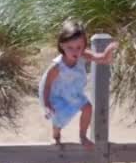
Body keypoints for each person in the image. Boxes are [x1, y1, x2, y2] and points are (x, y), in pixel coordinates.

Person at [38, 20, 118, 149]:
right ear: (62, 45)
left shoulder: (82, 55)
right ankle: (56, 135)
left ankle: (82, 136)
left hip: (73, 92)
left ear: (84, 46)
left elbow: (100, 58)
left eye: (79, 47)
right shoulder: (57, 66)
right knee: (59, 120)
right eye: (70, 47)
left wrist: (107, 53)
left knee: (87, 108)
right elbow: (47, 86)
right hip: (56, 94)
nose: (75, 51)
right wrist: (47, 104)